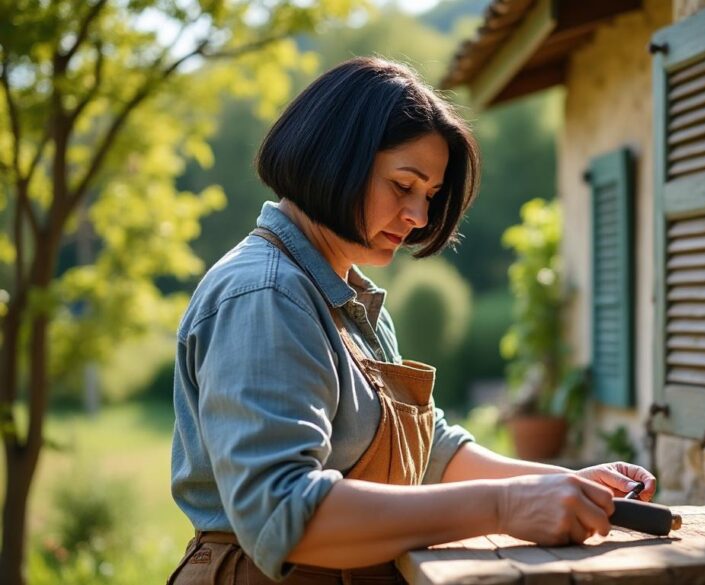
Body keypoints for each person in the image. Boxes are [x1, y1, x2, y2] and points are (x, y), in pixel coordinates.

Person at [167, 57, 656, 585]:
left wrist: (564, 484)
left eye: (430, 196)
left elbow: (430, 452)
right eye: (403, 186)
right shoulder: (265, 296)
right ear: (335, 159)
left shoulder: (350, 301)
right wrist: (505, 506)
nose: (419, 218)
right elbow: (283, 513)